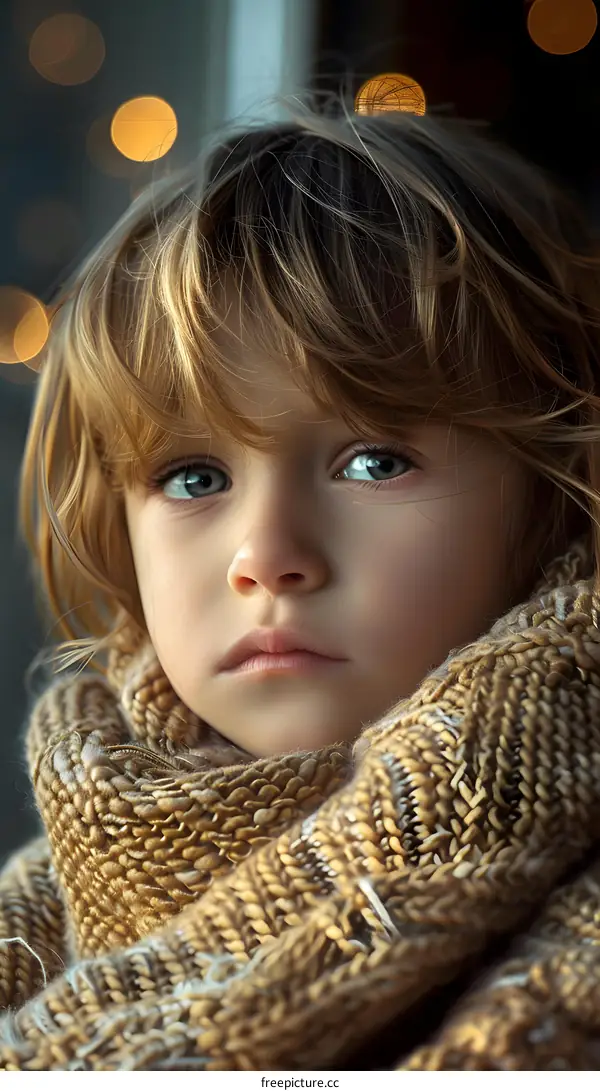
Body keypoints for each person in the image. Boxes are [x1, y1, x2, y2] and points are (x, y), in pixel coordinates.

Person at [1, 94, 600, 1071]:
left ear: (554, 487)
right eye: (194, 478)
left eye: (374, 461)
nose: (266, 555)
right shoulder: (33, 916)